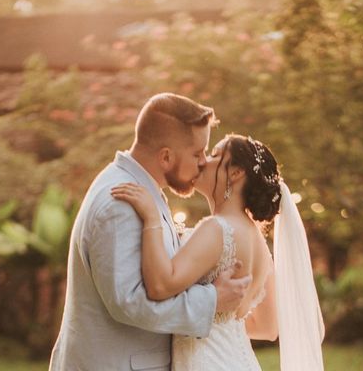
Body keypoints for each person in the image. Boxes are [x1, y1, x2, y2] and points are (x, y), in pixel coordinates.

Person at [49, 93, 251, 371]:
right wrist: (212, 301)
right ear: (166, 156)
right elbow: (130, 302)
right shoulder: (120, 203)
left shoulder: (139, 190)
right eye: (197, 153)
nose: (203, 162)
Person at [111, 134, 325, 370]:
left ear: (235, 172)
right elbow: (267, 327)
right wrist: (217, 319)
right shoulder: (258, 243)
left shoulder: (218, 229)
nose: (202, 161)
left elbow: (161, 285)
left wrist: (152, 218)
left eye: (214, 155)